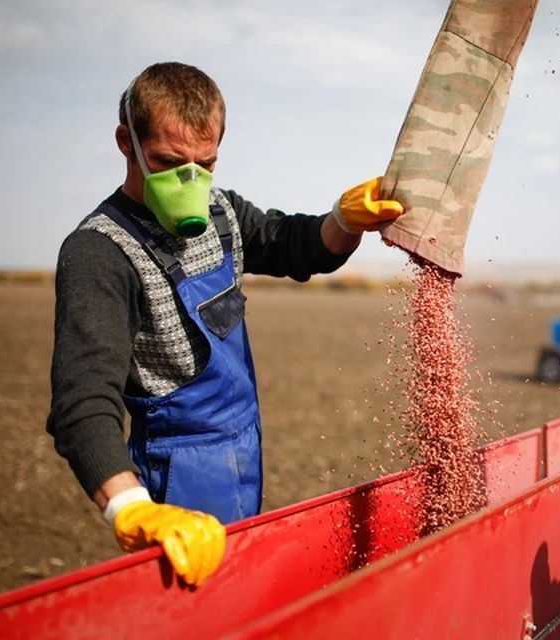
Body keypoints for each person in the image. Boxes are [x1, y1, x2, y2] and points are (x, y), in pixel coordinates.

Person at [45, 61, 403, 588]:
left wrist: (345, 220)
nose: (189, 182)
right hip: (178, 474)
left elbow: (296, 245)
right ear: (128, 142)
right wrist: (131, 509)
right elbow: (82, 403)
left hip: (242, 449)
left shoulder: (221, 213)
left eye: (204, 164)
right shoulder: (99, 253)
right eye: (168, 163)